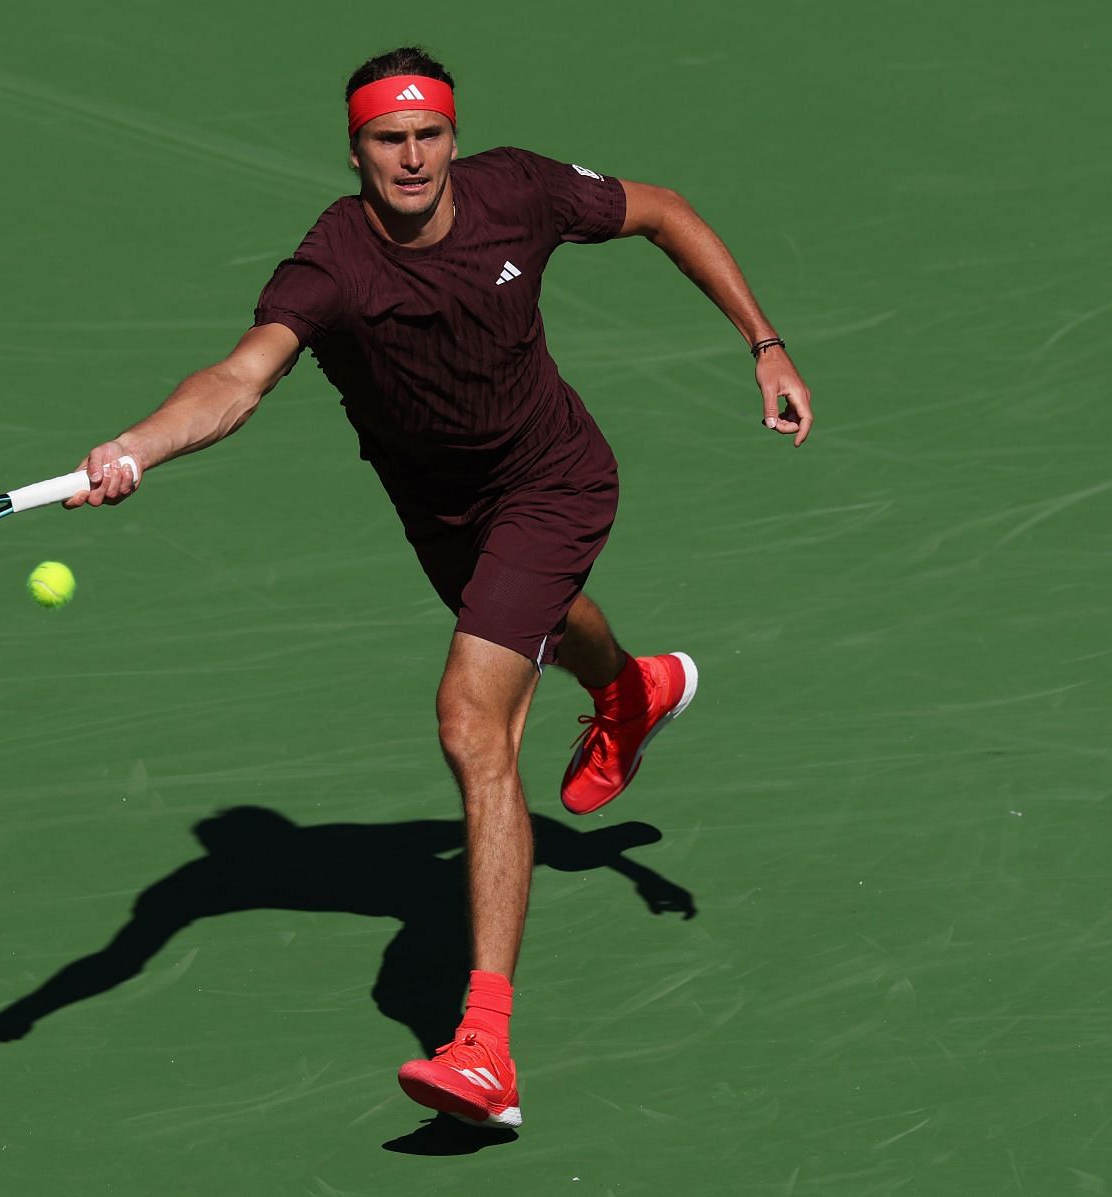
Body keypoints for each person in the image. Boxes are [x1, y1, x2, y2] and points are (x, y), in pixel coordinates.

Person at [64, 46, 812, 1130]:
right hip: (442, 514)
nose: (412, 158)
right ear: (355, 149)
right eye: (387, 139)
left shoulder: (520, 192)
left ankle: (485, 1049)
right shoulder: (333, 265)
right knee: (535, 624)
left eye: (428, 135)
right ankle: (634, 691)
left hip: (554, 479)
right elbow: (239, 378)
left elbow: (663, 210)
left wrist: (766, 345)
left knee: (474, 725)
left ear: (453, 135)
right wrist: (140, 444)